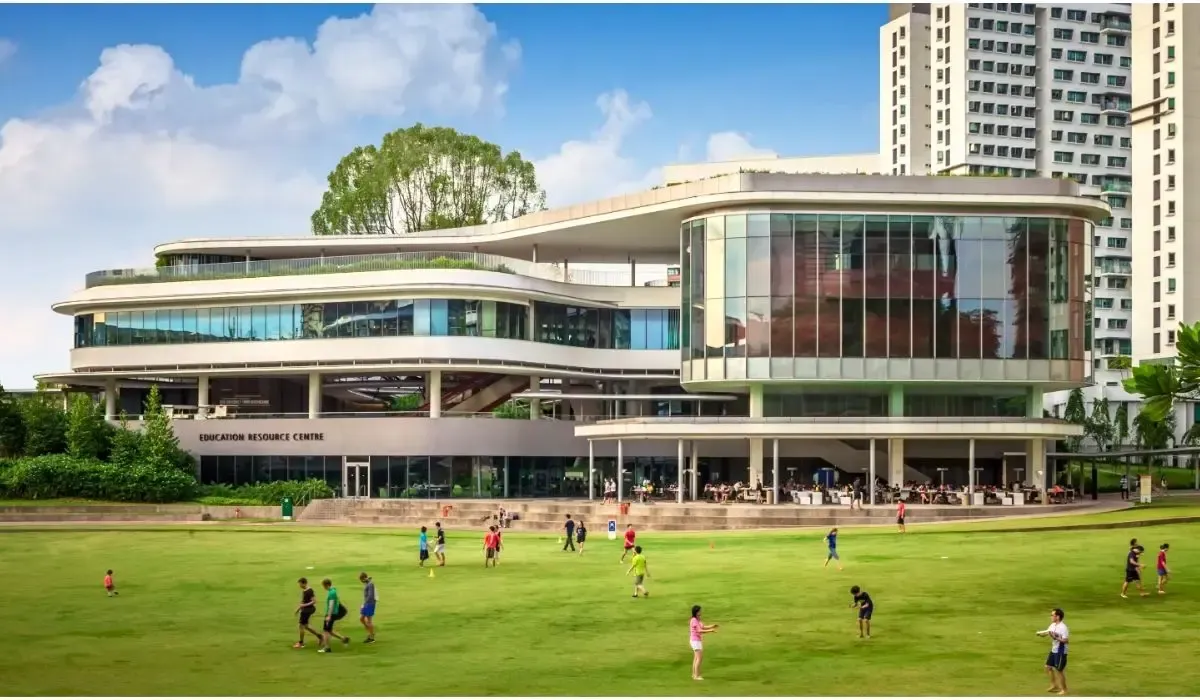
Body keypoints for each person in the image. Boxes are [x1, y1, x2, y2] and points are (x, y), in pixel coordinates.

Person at [1036, 608, 1069, 695]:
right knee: (1048, 667)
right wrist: (1041, 635)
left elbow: (1066, 641)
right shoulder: (1052, 625)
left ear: (1057, 617)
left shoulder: (1063, 627)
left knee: (1059, 670)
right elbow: (1048, 633)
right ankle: (1054, 685)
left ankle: (1064, 689)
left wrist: (1056, 638)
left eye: (1052, 615)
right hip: (1054, 650)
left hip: (1061, 652)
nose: (1051, 617)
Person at [318, 578, 349, 653]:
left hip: (331, 613)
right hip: (333, 613)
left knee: (325, 631)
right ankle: (343, 639)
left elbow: (331, 605)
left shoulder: (331, 593)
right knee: (329, 630)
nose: (323, 587)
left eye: (323, 585)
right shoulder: (332, 590)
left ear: (326, 585)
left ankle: (327, 648)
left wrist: (328, 616)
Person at [689, 605, 719, 681]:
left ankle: (694, 674)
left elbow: (703, 627)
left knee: (696, 658)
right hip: (695, 641)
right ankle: (697, 676)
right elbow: (699, 630)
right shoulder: (694, 620)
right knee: (699, 658)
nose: (701, 612)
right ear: (696, 612)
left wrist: (712, 626)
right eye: (700, 611)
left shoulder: (697, 620)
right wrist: (710, 631)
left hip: (697, 640)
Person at [294, 577, 319, 649]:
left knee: (301, 626)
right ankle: (320, 636)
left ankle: (301, 643)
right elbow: (303, 601)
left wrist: (304, 605)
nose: (299, 586)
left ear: (303, 583)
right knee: (306, 626)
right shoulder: (305, 590)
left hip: (307, 610)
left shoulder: (309, 591)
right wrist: (298, 609)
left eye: (300, 584)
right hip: (305, 609)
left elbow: (314, 601)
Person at [358, 572, 376, 644]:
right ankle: (370, 632)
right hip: (366, 604)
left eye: (362, 580)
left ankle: (371, 638)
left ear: (363, 578)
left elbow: (370, 595)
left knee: (369, 621)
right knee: (361, 619)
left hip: (370, 604)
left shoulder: (370, 584)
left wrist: (364, 604)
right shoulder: (368, 582)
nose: (362, 582)